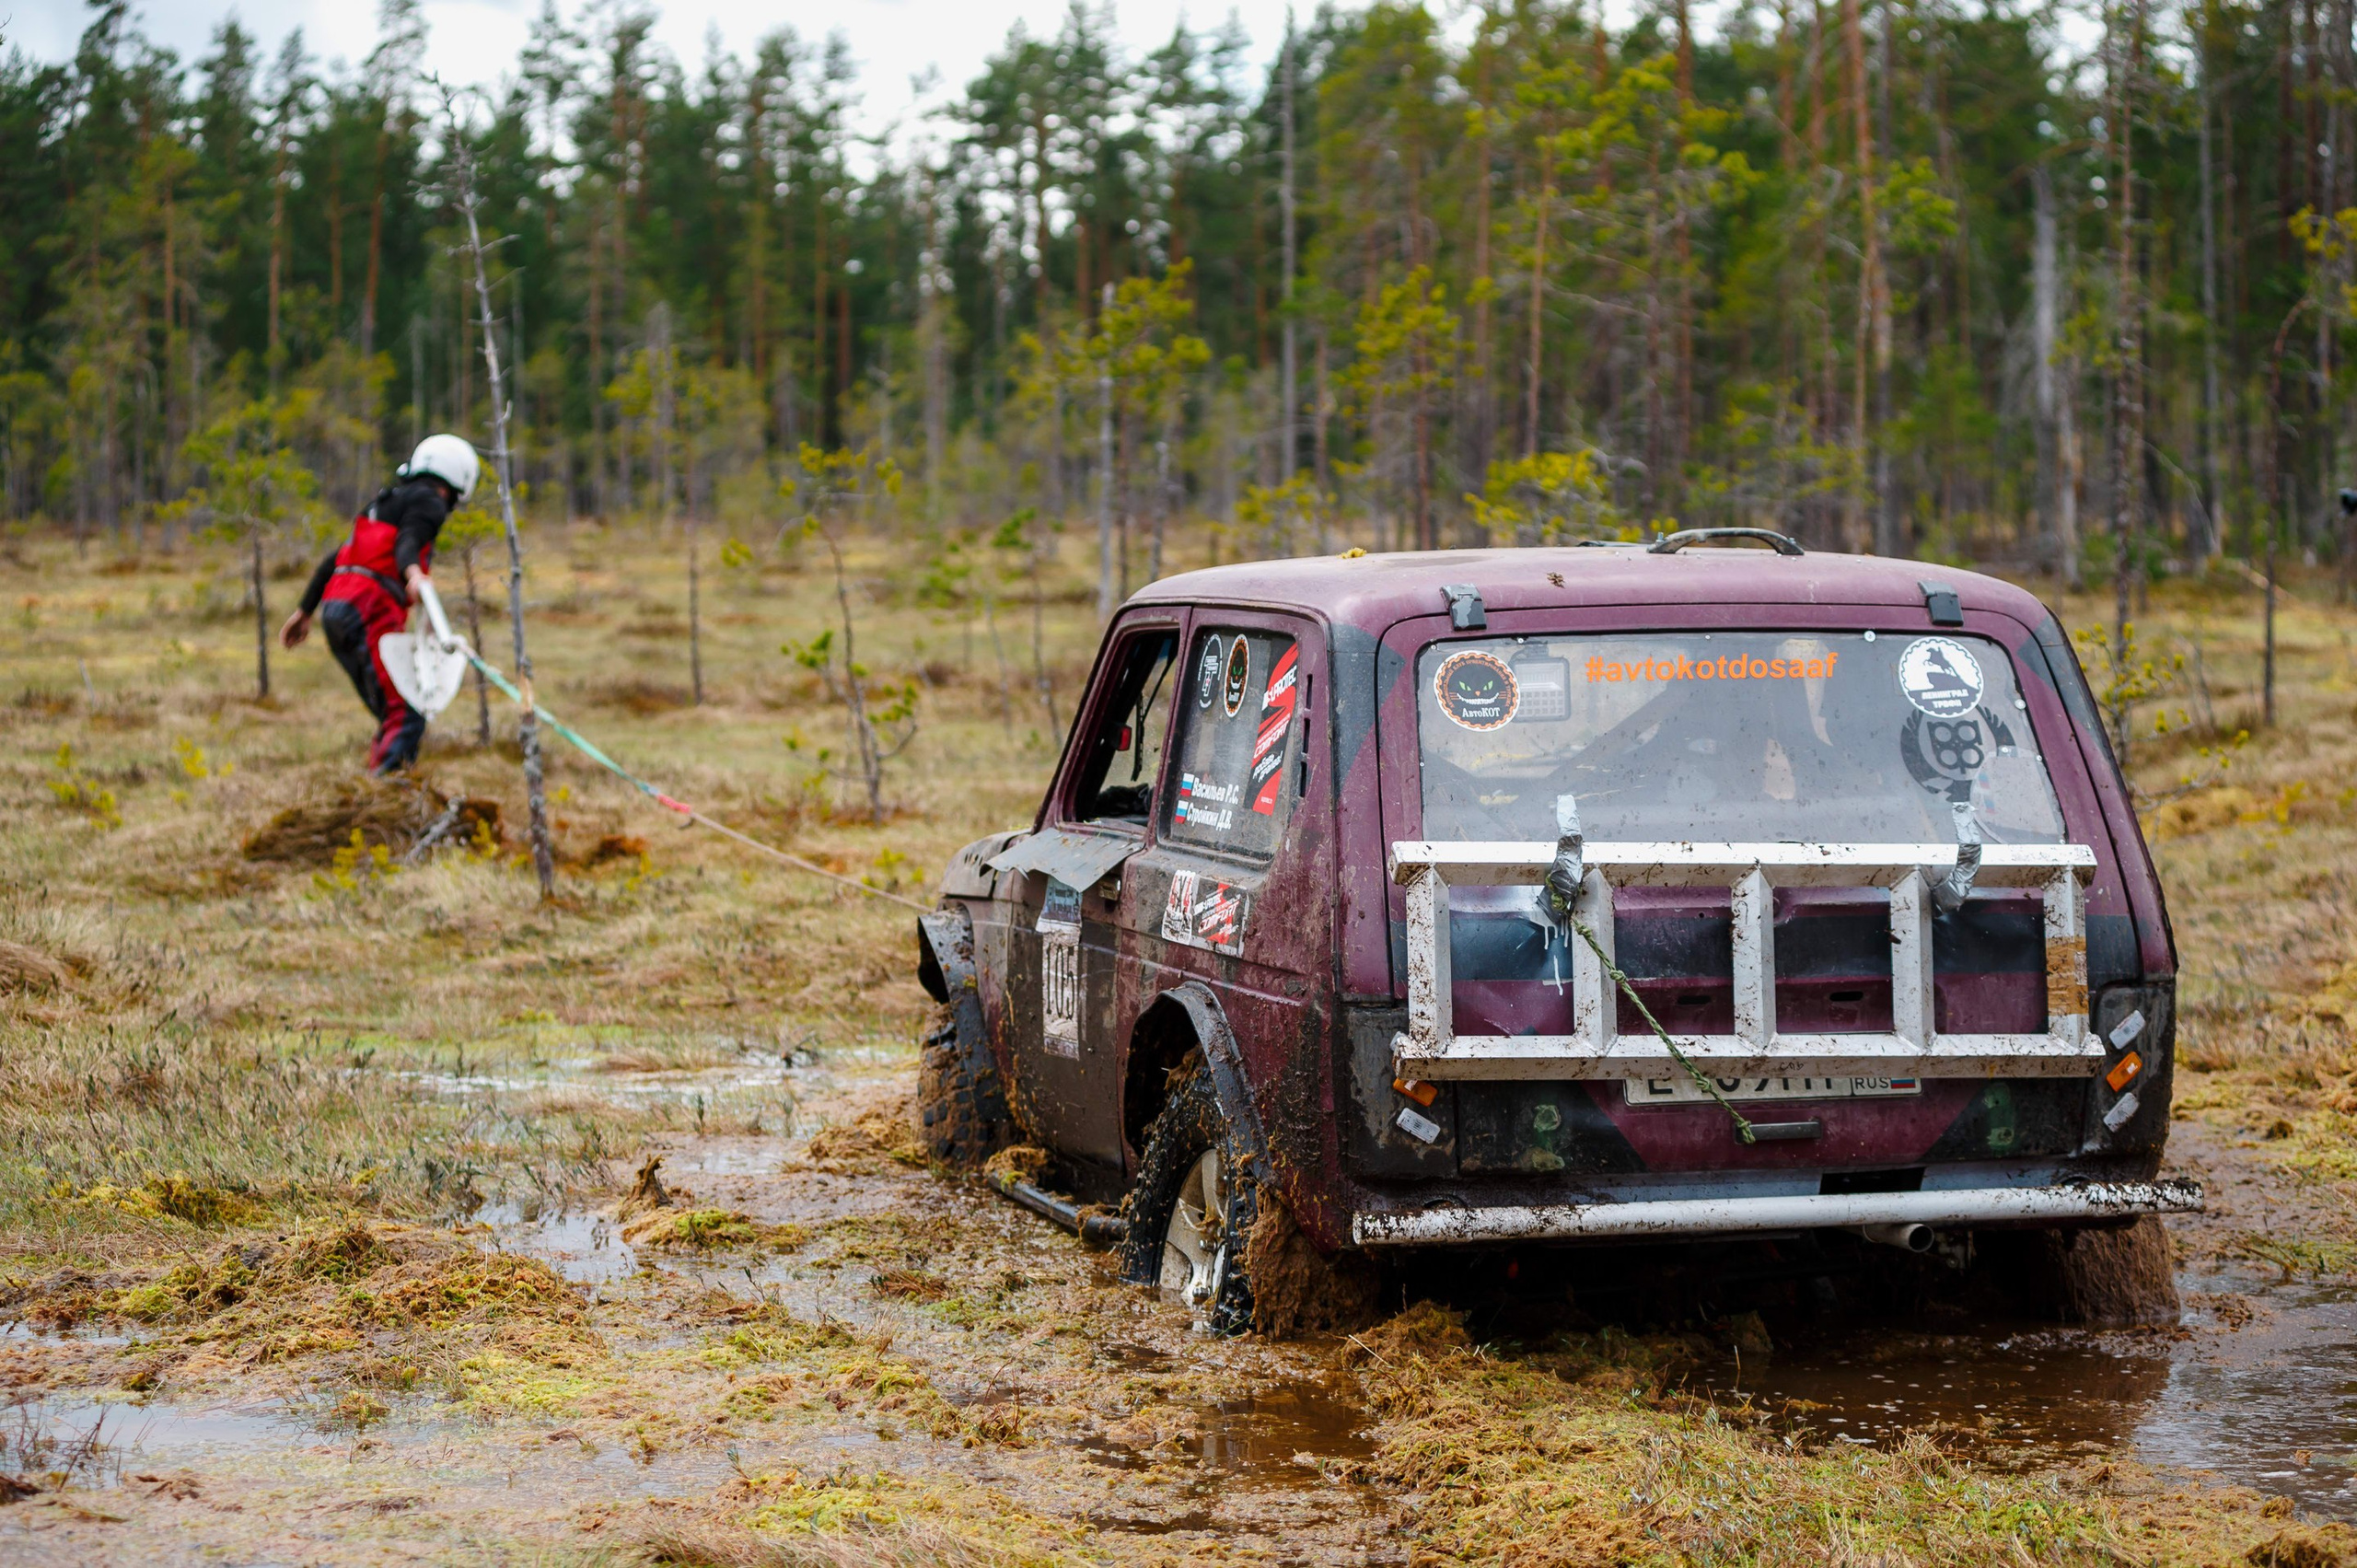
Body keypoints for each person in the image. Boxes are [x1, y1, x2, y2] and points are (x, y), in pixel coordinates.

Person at [280, 434, 481, 774]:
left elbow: (336, 559)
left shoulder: (385, 502)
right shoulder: (429, 502)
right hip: (368, 608)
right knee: (406, 713)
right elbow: (409, 542)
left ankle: (385, 786)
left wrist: (304, 612)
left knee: (393, 711)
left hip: (336, 609)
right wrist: (414, 574)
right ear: (453, 485)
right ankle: (385, 799)